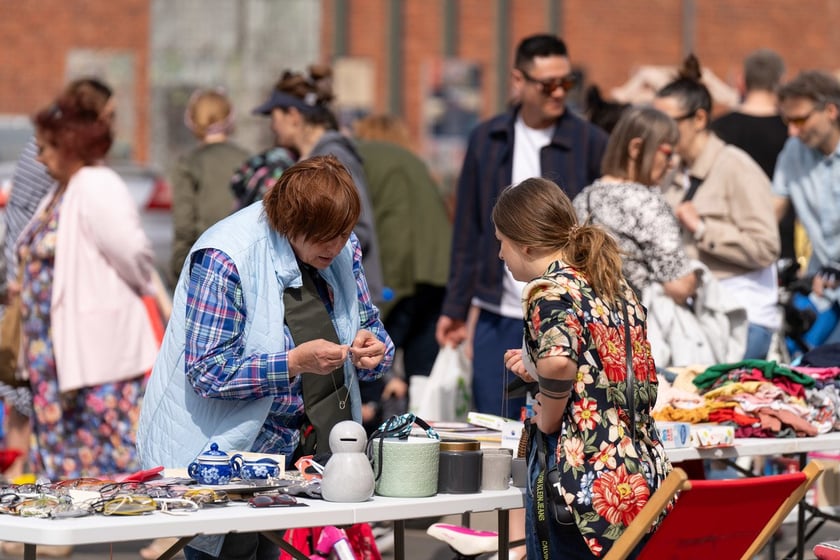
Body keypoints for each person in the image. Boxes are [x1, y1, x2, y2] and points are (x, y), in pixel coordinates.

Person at [137, 155, 394, 560]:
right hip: (216, 457)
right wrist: (292, 363)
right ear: (291, 223)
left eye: (344, 233)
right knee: (221, 549)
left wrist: (374, 350)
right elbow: (207, 371)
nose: (338, 246)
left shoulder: (343, 247)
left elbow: (370, 327)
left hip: (290, 461)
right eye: (326, 236)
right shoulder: (224, 257)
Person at [436, 33, 608, 419]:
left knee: (555, 424)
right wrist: (456, 306)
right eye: (548, 84)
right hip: (497, 312)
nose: (559, 93)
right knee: (495, 426)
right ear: (519, 81)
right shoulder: (487, 140)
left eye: (567, 83)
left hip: (564, 314)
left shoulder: (590, 142)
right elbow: (469, 228)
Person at [497, 177, 671, 559]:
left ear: (525, 244)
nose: (500, 255)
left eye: (502, 242)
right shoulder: (612, 285)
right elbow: (599, 366)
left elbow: (560, 362)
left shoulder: (548, 290)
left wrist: (547, 416)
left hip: (580, 479)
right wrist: (534, 367)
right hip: (641, 473)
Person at [17, 89, 157, 481]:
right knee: (59, 437)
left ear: (70, 147)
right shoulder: (62, 188)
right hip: (52, 348)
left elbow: (132, 253)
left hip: (97, 343)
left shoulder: (96, 185)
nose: (40, 158)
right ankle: (60, 521)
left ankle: (139, 521)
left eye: (46, 148)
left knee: (110, 436)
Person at [0, 78, 114, 481]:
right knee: (34, 395)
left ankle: (18, 488)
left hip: (27, 285)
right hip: (35, 291)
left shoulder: (46, 150)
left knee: (22, 396)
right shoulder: (53, 155)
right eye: (108, 115)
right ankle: (24, 487)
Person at [653, 54, 781, 360]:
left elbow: (766, 246)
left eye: (667, 122)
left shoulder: (737, 167)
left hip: (741, 320)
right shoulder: (671, 174)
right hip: (693, 319)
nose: (658, 131)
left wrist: (704, 229)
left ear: (698, 119)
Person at [250, 67, 385, 304]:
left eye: (274, 117)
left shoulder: (333, 159)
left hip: (347, 297)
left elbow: (359, 228)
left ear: (293, 115)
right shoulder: (308, 159)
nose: (272, 127)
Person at [353, 113, 453, 430]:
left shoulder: (364, 158)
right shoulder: (414, 162)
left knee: (373, 360)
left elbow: (387, 230)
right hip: (437, 272)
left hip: (398, 275)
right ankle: (419, 436)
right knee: (420, 370)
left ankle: (376, 436)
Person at [573, 106, 697, 303]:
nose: (672, 163)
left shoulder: (583, 199)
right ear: (636, 148)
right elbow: (679, 285)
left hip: (593, 320)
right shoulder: (645, 203)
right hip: (639, 323)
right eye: (667, 152)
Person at [773, 70, 840, 345]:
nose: (792, 130)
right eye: (788, 121)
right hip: (821, 287)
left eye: (800, 119)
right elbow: (771, 211)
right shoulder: (793, 151)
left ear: (831, 110)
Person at [711, 49, 795, 262]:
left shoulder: (718, 129)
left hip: (728, 240)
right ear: (782, 81)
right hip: (780, 240)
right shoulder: (793, 131)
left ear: (742, 80)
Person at [170, 87, 249, 282]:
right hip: (244, 263)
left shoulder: (188, 163)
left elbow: (184, 225)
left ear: (191, 121)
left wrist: (179, 268)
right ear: (230, 118)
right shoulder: (247, 159)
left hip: (203, 265)